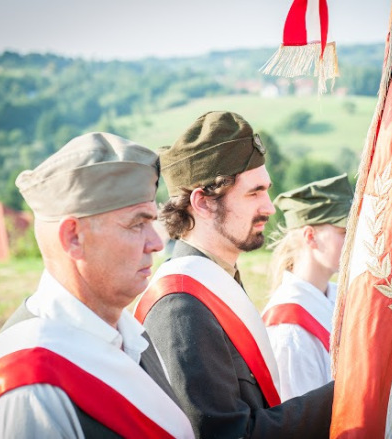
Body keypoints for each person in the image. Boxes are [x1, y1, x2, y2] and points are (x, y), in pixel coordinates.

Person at [0, 132, 194, 438]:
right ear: (73, 237)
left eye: (152, 223)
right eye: (137, 224)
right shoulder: (29, 394)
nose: (156, 243)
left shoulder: (132, 335)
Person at [133, 111, 334, 438]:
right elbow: (230, 433)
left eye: (266, 191)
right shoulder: (180, 306)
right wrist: (347, 392)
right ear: (203, 203)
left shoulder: (217, 280)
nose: (269, 207)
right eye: (254, 192)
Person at [261, 174, 352, 401]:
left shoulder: (337, 296)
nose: (355, 240)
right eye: (344, 232)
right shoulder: (289, 328)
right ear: (311, 236)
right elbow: (299, 417)